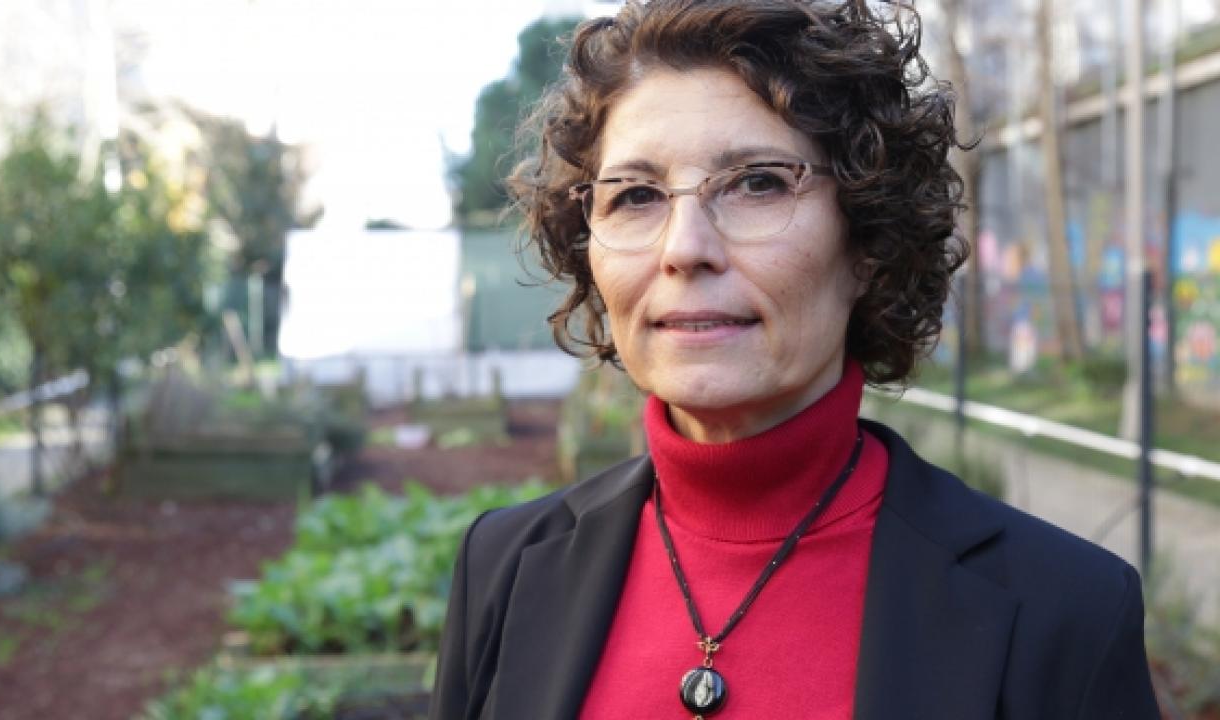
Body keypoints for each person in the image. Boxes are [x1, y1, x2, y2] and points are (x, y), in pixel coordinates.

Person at [429, 1, 1160, 718]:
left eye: (758, 183)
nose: (685, 248)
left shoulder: (1066, 613)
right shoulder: (502, 567)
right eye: (638, 195)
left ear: (867, 243)